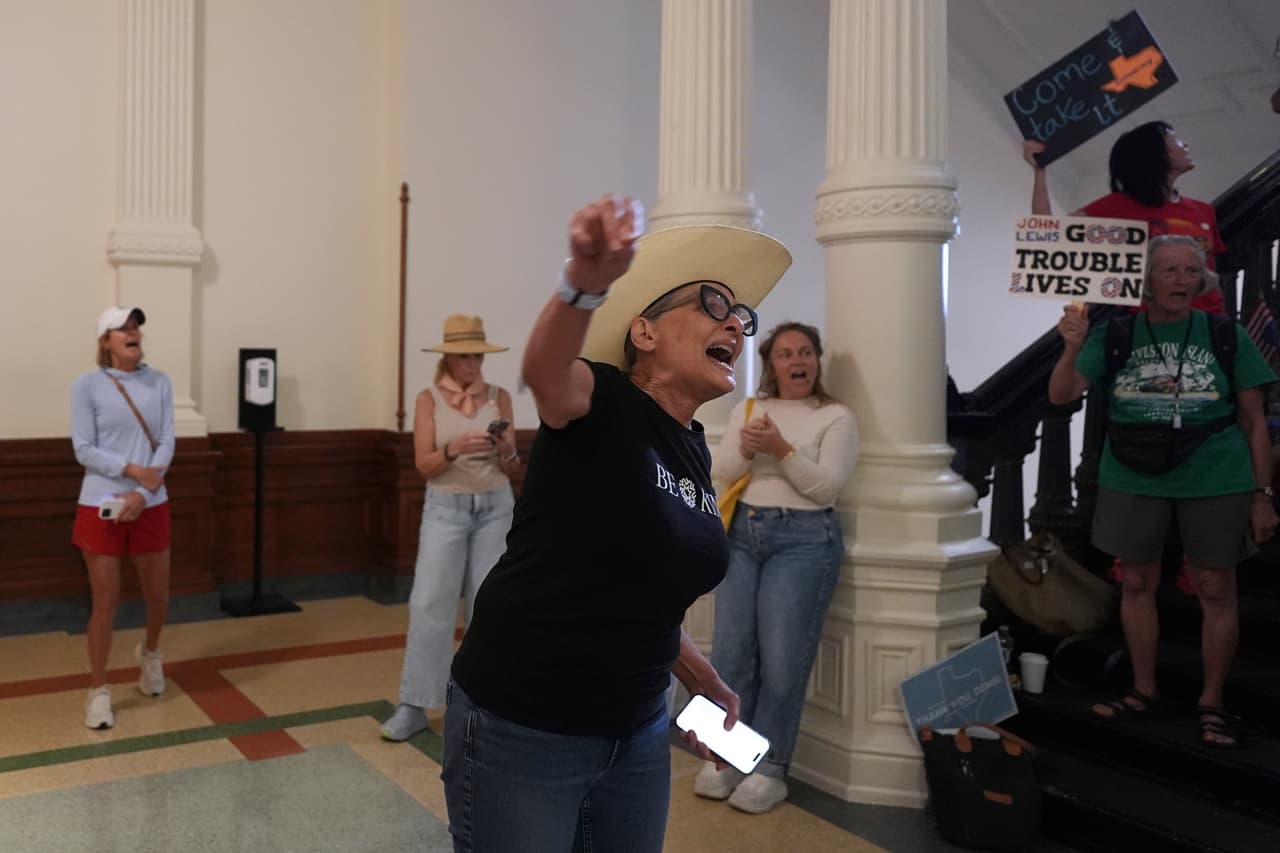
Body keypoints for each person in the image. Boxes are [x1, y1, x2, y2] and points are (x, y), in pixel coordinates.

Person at [441, 195, 792, 852]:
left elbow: (640, 590)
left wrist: (698, 673)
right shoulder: (602, 399)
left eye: (741, 317)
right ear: (644, 332)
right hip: (523, 721)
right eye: (713, 305)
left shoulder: (691, 445)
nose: (738, 327)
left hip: (635, 730)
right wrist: (583, 285)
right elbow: (544, 373)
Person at [1048, 235, 1278, 749]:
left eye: (1190, 272)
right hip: (1132, 472)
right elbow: (1062, 394)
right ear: (1146, 281)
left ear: (1203, 281)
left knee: (1216, 588)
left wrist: (1262, 495)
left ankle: (1212, 701)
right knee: (1136, 583)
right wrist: (1070, 346)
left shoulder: (1225, 334)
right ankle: (1144, 689)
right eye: (1169, 270)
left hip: (1216, 474)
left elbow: (1254, 421)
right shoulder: (1114, 333)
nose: (1181, 280)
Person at [694, 321, 858, 813]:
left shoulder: (836, 416)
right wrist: (749, 445)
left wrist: (781, 449)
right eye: (785, 354)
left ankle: (770, 769)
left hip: (804, 541)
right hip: (744, 534)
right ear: (771, 363)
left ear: (817, 360)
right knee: (729, 654)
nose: (797, 361)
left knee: (784, 662)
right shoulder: (752, 407)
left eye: (805, 352)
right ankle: (725, 758)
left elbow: (827, 488)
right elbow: (723, 470)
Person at [381, 315, 521, 742]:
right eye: (466, 357)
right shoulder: (428, 399)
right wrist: (454, 447)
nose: (475, 364)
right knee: (429, 604)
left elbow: (513, 468)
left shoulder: (499, 397)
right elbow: (424, 465)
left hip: (496, 504)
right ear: (449, 358)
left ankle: (488, 705)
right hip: (445, 507)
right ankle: (415, 704)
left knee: (489, 607)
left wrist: (506, 449)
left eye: (479, 355)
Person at [71, 306, 175, 730]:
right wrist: (132, 473)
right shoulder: (87, 385)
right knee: (106, 601)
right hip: (100, 502)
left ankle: (150, 654)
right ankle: (98, 691)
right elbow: (83, 448)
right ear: (106, 341)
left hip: (151, 501)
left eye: (136, 327)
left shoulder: (160, 382)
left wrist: (144, 492)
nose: (133, 333)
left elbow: (166, 441)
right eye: (123, 328)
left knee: (158, 596)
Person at [1025, 121, 1226, 314]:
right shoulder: (1119, 206)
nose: (1185, 144)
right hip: (1151, 325)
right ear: (1155, 153)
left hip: (1208, 323)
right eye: (1174, 140)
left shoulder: (1203, 210)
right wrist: (1040, 171)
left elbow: (1212, 273)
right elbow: (1048, 233)